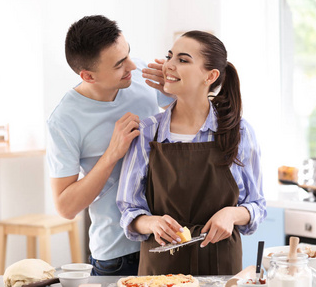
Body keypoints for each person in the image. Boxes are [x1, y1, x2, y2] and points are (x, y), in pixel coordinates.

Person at [117, 30, 267, 275]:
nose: (169, 66)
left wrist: (231, 214)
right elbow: (128, 209)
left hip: (220, 265)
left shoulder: (239, 132)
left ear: (211, 75)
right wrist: (151, 222)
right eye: (169, 57)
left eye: (183, 60)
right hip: (161, 267)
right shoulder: (148, 132)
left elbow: (257, 205)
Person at [46, 15, 173, 276]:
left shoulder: (139, 74)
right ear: (88, 76)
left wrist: (175, 85)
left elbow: (188, 118)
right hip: (119, 254)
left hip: (169, 238)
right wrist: (112, 154)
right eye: (118, 64)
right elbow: (66, 207)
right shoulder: (63, 120)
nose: (131, 65)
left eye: (128, 53)